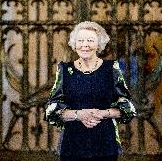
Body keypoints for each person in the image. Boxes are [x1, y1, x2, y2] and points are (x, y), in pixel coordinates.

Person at [45, 21, 137, 161]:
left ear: (99, 44)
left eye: (90, 40)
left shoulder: (111, 69)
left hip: (105, 144)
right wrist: (79, 114)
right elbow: (52, 109)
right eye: (80, 40)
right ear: (74, 45)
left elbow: (128, 107)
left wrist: (103, 113)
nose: (85, 45)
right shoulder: (64, 70)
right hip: (72, 145)